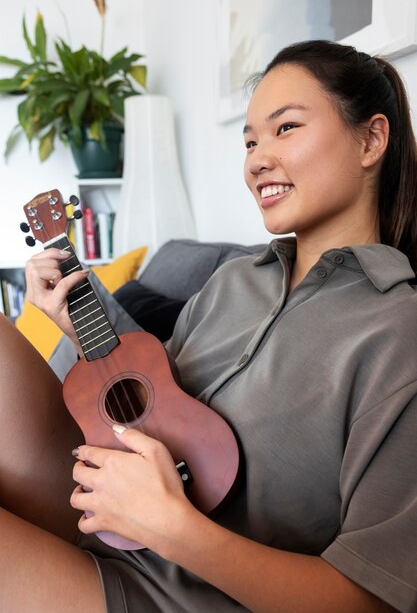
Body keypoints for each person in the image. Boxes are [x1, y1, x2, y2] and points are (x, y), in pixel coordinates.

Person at [1, 38, 416, 612]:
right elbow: (155, 392)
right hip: (106, 503)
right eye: (249, 141)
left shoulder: (398, 333)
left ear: (371, 139)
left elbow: (374, 599)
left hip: (179, 592)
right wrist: (76, 322)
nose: (257, 159)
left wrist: (172, 527)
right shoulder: (236, 280)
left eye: (285, 128)